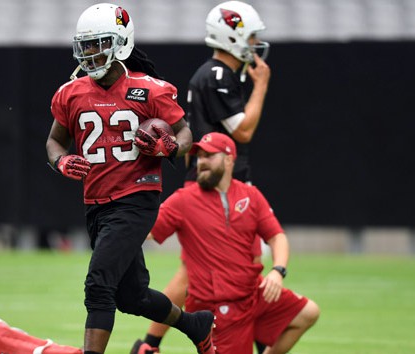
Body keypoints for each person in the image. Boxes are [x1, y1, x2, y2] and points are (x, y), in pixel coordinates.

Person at [45, 4, 215, 354]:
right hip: (96, 203)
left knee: (98, 285)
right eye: (86, 45)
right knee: (131, 296)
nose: (91, 53)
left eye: (99, 43)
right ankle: (194, 325)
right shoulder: (71, 92)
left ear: (121, 42)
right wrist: (62, 161)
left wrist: (169, 147)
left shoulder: (149, 90)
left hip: (136, 199)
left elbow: (186, 135)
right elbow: (54, 141)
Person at [132, 2, 272, 352]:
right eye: (251, 36)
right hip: (212, 185)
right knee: (229, 267)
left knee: (197, 270)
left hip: (213, 181)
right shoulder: (218, 75)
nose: (255, 43)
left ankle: (150, 343)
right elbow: (244, 130)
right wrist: (261, 86)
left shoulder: (217, 74)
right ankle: (155, 342)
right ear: (233, 35)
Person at [144, 132, 320, 353]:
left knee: (308, 312)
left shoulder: (251, 195)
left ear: (228, 160)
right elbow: (146, 230)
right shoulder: (184, 200)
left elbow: (277, 237)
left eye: (209, 156)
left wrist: (278, 271)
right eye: (199, 156)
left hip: (252, 294)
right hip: (217, 306)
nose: (202, 162)